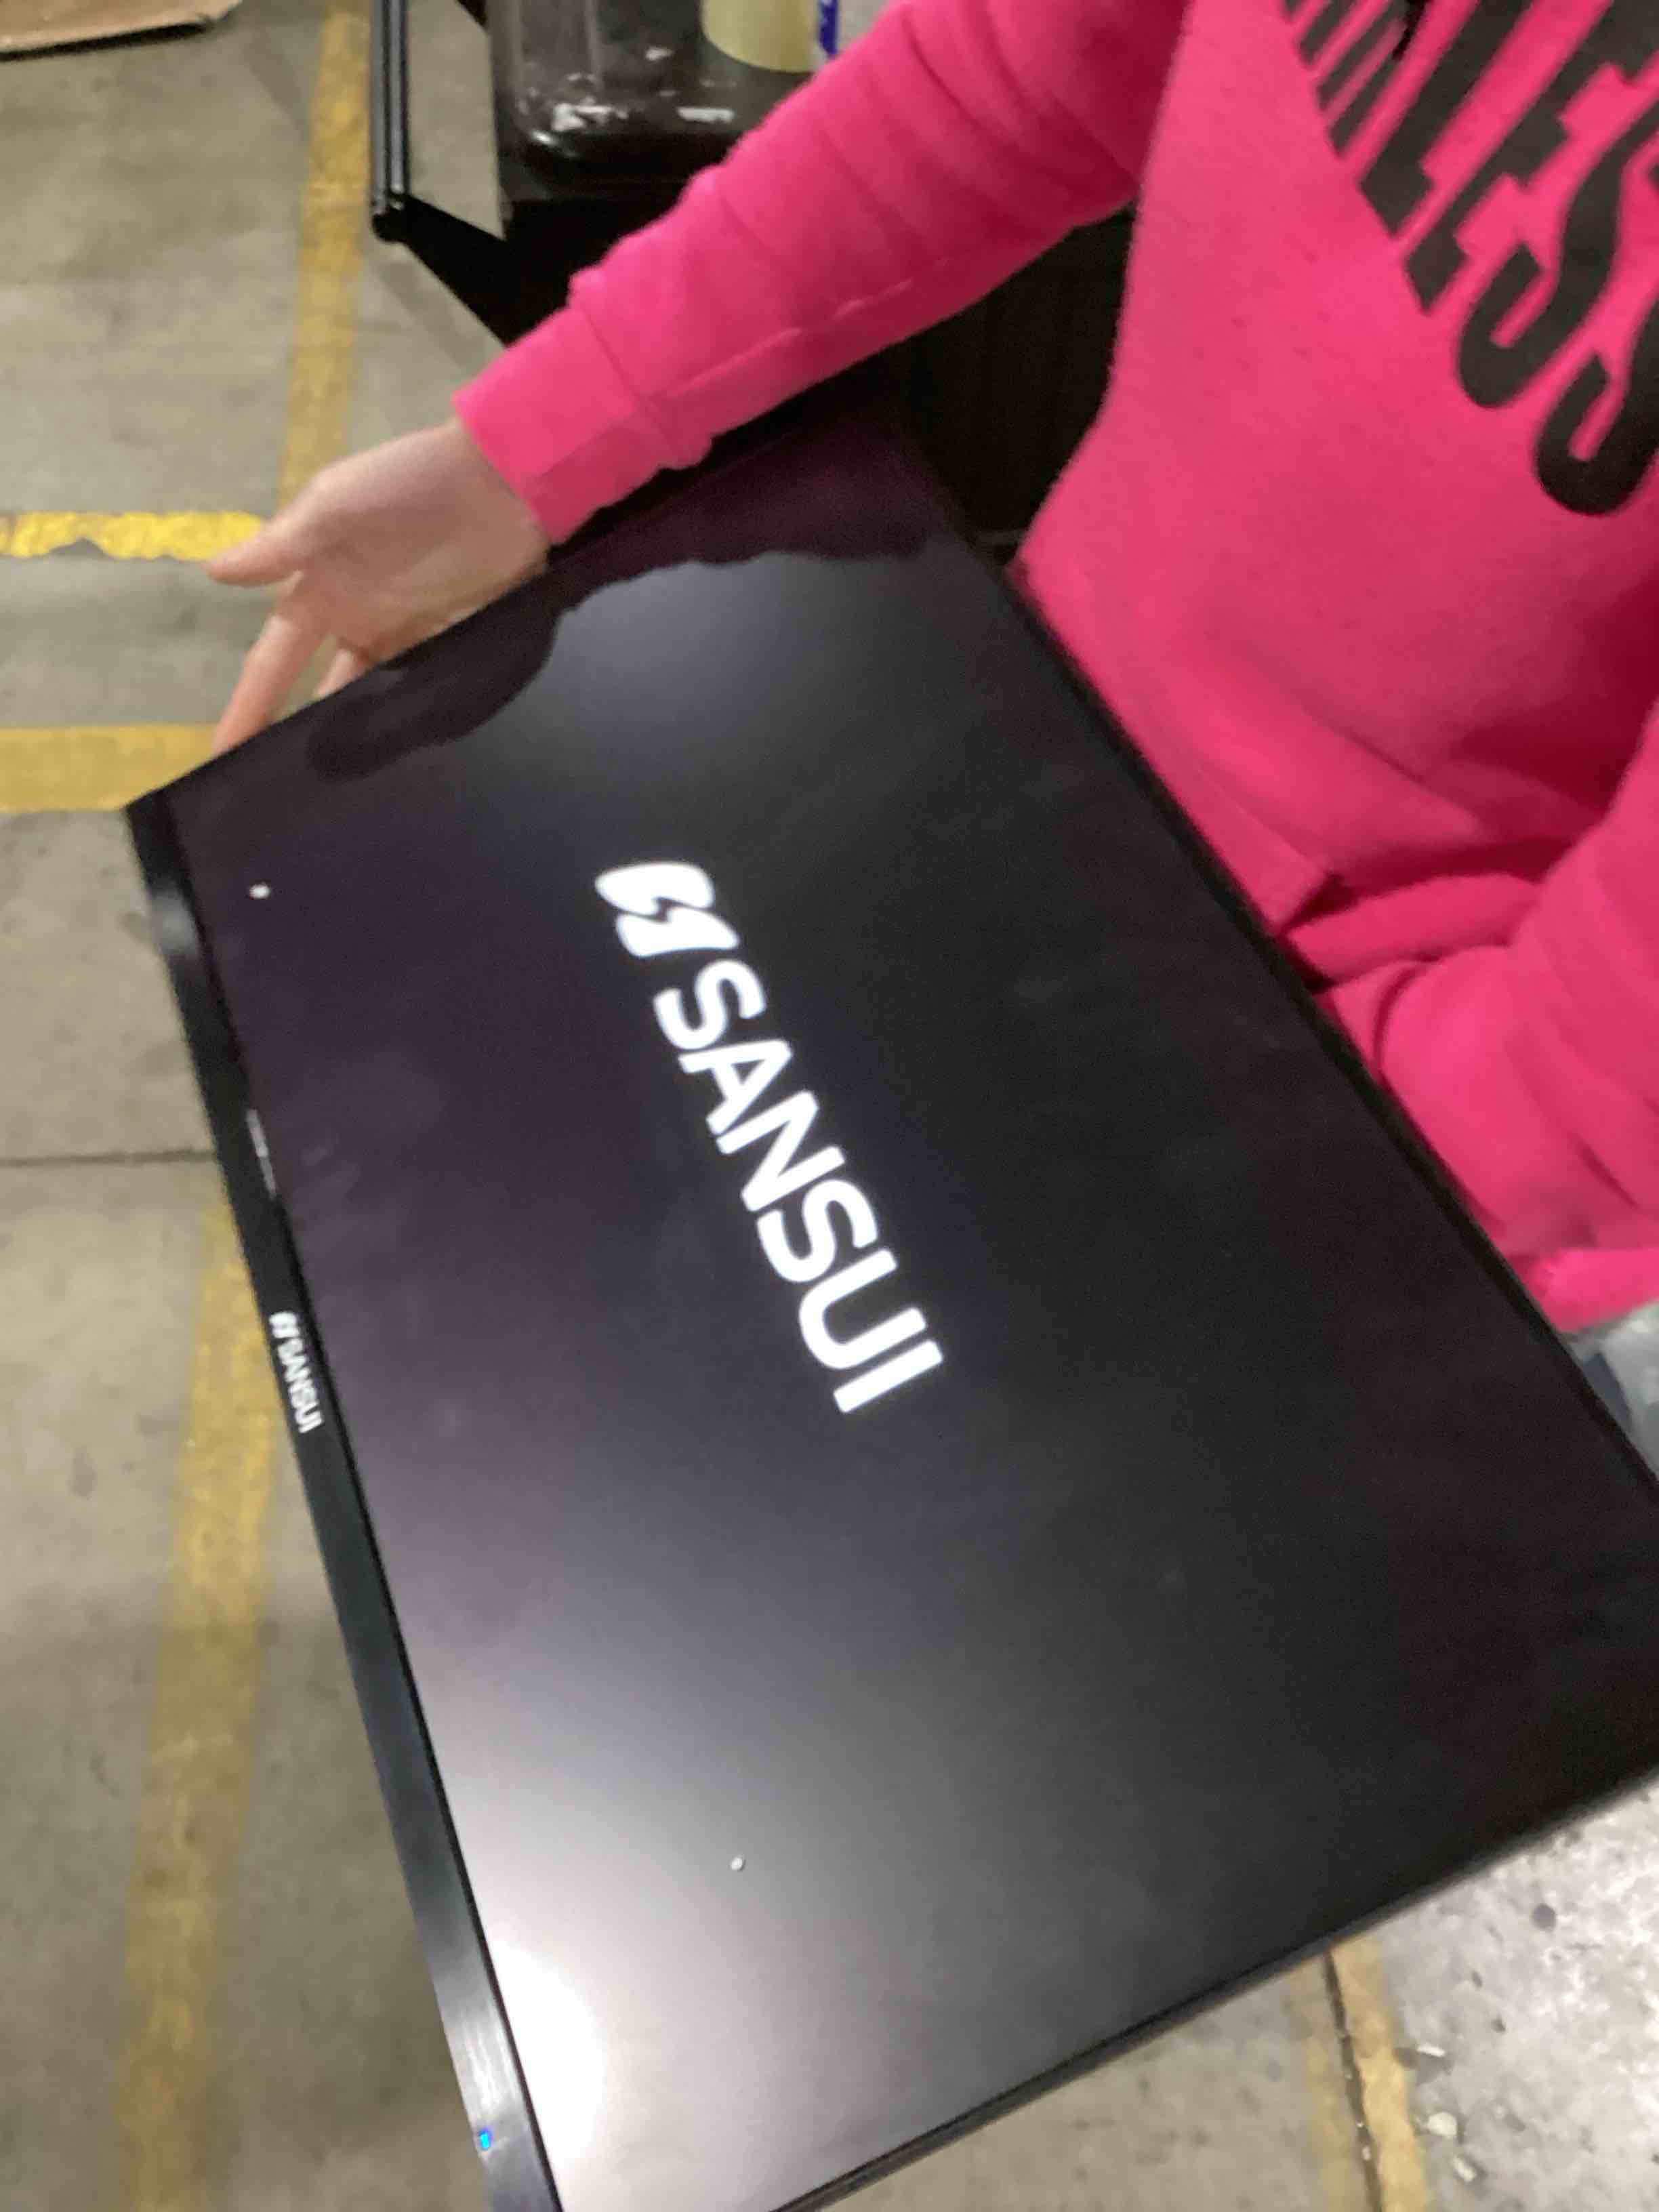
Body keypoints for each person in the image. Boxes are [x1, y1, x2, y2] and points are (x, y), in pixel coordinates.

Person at [208, 0, 1659, 1439]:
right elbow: (1022, 65)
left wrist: (1225, 1161)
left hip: (1389, 1152)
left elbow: (1596, 1069)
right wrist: (527, 445)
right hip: (1030, 790)